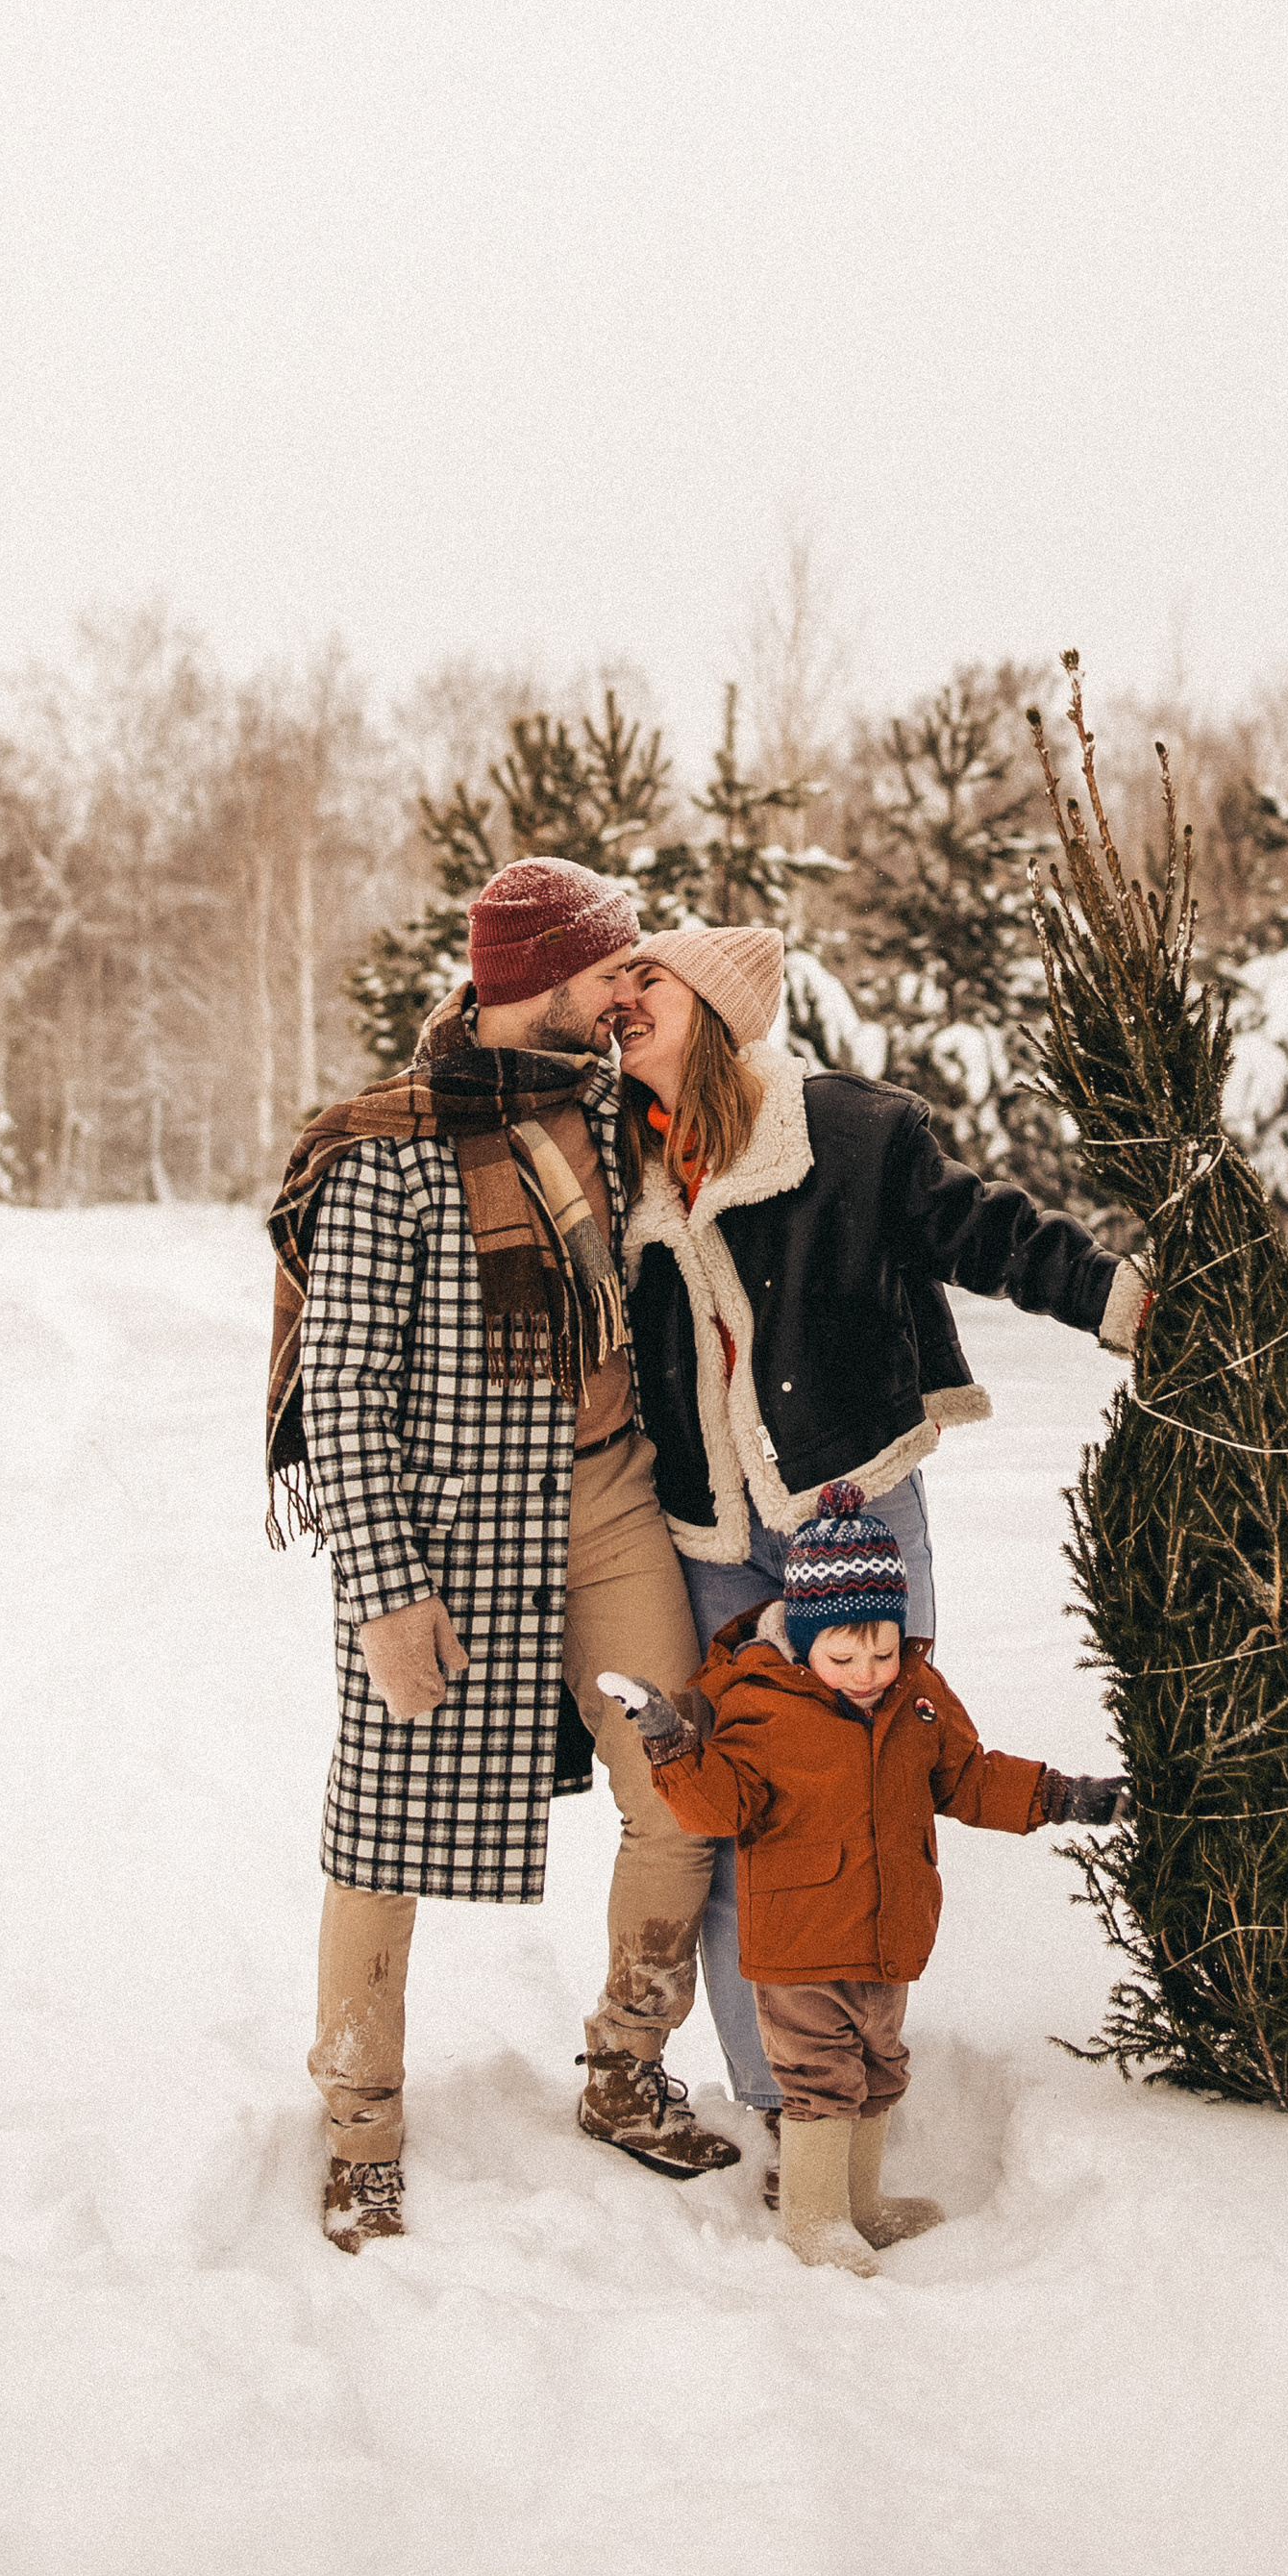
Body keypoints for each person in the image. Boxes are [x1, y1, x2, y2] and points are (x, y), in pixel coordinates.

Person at [264, 855, 739, 2257]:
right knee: (384, 1833)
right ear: (534, 977)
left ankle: (624, 2066)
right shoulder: (382, 1152)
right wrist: (388, 1594)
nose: (623, 996)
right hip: (448, 1534)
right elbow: (340, 1391)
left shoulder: (604, 1114)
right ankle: (358, 2131)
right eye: (607, 973)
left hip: (609, 1503)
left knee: (679, 1787)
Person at [611, 920, 1147, 2163]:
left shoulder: (846, 1132)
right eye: (614, 985)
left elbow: (984, 1233)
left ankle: (857, 2082)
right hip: (713, 1542)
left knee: (861, 1795)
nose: (620, 1001)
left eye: (648, 980)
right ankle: (785, 2111)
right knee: (747, 1819)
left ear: (713, 1004)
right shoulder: (615, 1156)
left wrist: (1120, 1302)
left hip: (850, 1510)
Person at [602, 1481, 1128, 2271]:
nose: (867, 1671)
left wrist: (1060, 1796)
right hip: (799, 1943)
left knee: (879, 2068)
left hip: (889, 1932)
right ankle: (815, 2222)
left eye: (883, 1650)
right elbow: (719, 1807)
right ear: (805, 1644)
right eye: (844, 1657)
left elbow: (969, 1777)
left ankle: (864, 2207)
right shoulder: (761, 1705)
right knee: (818, 2080)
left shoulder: (916, 1696)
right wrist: (672, 1743)